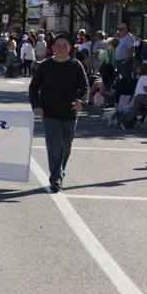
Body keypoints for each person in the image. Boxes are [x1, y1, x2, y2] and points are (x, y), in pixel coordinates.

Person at [29, 33, 88, 193]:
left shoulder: (76, 65)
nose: (61, 48)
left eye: (65, 45)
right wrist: (36, 105)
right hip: (49, 113)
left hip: (70, 113)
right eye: (58, 45)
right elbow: (34, 87)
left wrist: (81, 102)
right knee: (55, 145)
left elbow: (85, 87)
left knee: (66, 146)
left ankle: (59, 171)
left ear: (70, 48)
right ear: (53, 48)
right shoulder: (46, 65)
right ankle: (56, 178)